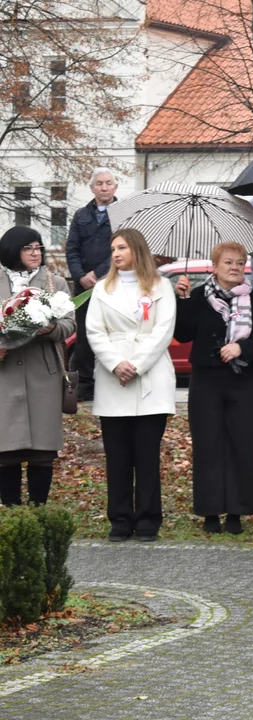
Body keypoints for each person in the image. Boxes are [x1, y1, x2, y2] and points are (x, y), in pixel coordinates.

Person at [174, 242, 253, 535]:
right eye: (228, 262)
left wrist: (242, 348)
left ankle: (236, 510)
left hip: (241, 382)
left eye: (239, 263)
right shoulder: (198, 297)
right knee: (208, 445)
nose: (234, 268)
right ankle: (210, 511)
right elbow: (182, 334)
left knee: (240, 445)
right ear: (214, 266)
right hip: (206, 381)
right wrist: (181, 300)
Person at [85, 229, 176, 541]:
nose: (115, 253)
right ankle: (120, 520)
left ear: (137, 249)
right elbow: (94, 331)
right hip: (114, 380)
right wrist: (116, 364)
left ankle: (149, 519)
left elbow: (163, 330)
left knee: (146, 455)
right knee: (118, 455)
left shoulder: (162, 286)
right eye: (112, 249)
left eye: (121, 247)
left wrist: (136, 365)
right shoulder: (102, 289)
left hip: (150, 377)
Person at [0, 227, 76, 506]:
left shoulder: (55, 282)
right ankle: (10, 513)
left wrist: (51, 328)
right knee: (5, 451)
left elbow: (70, 323)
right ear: (12, 251)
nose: (36, 253)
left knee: (42, 451)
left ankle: (38, 511)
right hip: (4, 374)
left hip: (43, 375)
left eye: (38, 248)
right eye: (28, 248)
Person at [66, 168, 119, 402]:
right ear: (92, 188)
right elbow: (72, 249)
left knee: (113, 334)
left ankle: (113, 382)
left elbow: (122, 250)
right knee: (85, 337)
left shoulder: (122, 215)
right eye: (99, 184)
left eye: (108, 183)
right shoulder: (80, 215)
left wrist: (97, 274)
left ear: (115, 187)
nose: (104, 188)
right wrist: (79, 276)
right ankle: (85, 386)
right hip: (83, 288)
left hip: (112, 285)